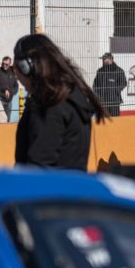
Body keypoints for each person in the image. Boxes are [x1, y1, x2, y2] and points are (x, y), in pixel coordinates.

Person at [13, 34, 107, 170]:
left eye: (16, 68)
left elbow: (39, 165)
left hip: (50, 190)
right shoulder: (72, 96)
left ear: (27, 67)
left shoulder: (50, 106)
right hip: (71, 188)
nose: (16, 75)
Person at [0, 55, 19, 122]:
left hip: (9, 101)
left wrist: (11, 92)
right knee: (0, 120)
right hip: (0, 100)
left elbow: (16, 86)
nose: (4, 65)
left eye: (6, 64)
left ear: (9, 64)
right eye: (3, 64)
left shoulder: (12, 72)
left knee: (7, 120)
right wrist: (4, 91)